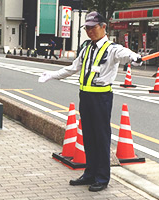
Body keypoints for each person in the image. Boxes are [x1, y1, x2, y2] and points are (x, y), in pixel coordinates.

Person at [38, 11, 142, 192]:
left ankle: (102, 177)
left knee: (101, 138)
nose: (89, 31)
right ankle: (90, 173)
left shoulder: (111, 48)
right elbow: (73, 68)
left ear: (103, 27)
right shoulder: (86, 48)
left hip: (101, 98)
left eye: (93, 27)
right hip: (85, 96)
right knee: (88, 136)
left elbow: (124, 54)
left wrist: (134, 57)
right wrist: (52, 75)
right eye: (87, 28)